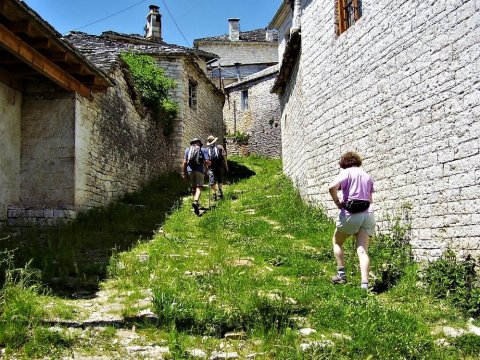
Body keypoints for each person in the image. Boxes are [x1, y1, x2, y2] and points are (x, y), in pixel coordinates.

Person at [328, 151, 375, 290]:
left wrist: (338, 203)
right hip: (368, 215)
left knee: (337, 241)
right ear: (358, 161)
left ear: (344, 163)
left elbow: (332, 187)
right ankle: (365, 285)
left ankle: (341, 275)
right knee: (362, 251)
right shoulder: (367, 176)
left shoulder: (346, 172)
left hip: (350, 214)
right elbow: (370, 200)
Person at [182, 138, 210, 215]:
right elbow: (207, 161)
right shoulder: (203, 150)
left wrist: (184, 173)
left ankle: (196, 205)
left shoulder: (187, 150)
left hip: (189, 171)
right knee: (199, 187)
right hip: (199, 171)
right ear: (199, 143)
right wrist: (208, 166)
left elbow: (184, 162)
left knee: (193, 187)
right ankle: (196, 201)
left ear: (192, 143)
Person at [205, 135, 228, 201]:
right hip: (219, 166)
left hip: (211, 167)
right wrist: (226, 166)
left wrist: (206, 169)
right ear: (215, 141)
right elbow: (224, 157)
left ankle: (214, 194)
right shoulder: (220, 147)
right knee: (220, 179)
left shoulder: (207, 150)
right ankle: (220, 191)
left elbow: (207, 161)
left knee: (212, 181)